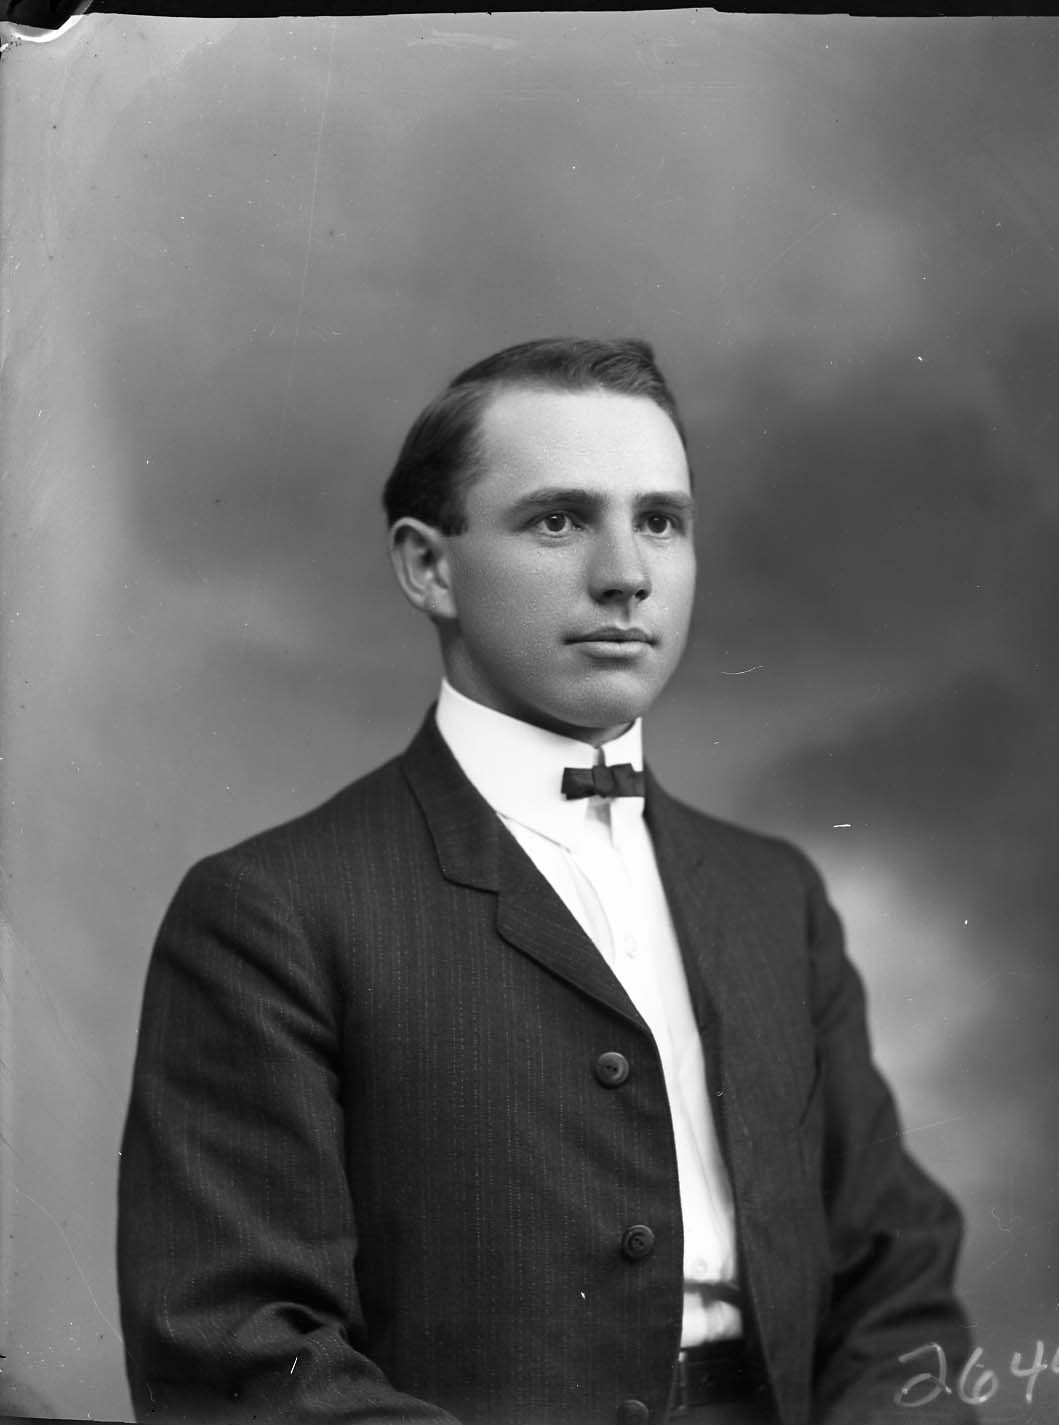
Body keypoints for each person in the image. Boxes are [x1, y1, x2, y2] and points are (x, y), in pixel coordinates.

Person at [118, 337, 976, 1425]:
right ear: (428, 567)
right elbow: (237, 1346)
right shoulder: (272, 913)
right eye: (559, 520)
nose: (626, 574)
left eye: (659, 520)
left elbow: (895, 1277)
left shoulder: (775, 896)